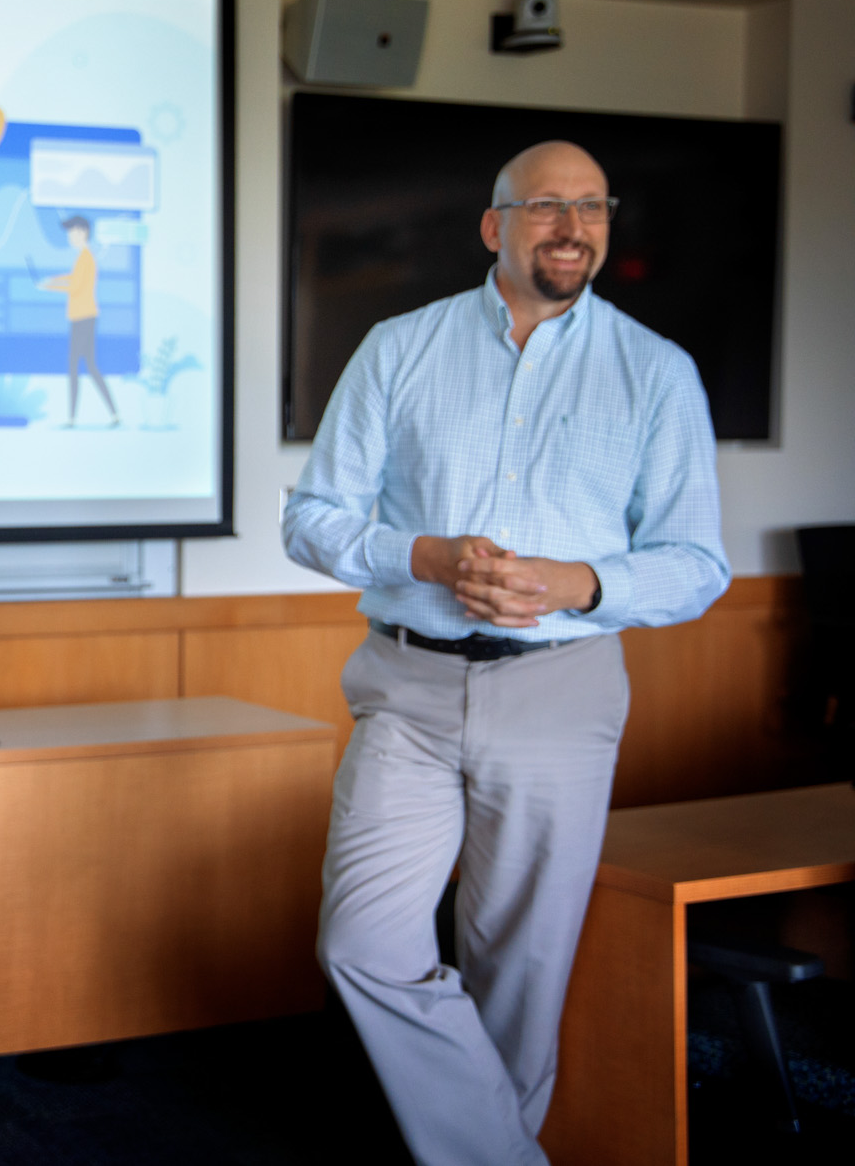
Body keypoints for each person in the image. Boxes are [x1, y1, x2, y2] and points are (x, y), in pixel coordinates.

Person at [281, 142, 728, 1166]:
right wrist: (420, 553)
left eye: (591, 207)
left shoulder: (655, 372)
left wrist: (574, 583)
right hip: (407, 685)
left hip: (559, 690)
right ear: (494, 226)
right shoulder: (399, 347)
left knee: (517, 970)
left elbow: (695, 563)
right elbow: (310, 520)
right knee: (363, 944)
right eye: (544, 206)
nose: (570, 225)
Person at [36, 215, 117, 427]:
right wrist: (53, 279)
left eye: (72, 232)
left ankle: (72, 418)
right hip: (84, 317)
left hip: (83, 318)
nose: (70, 237)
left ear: (83, 232)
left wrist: (49, 286)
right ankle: (114, 415)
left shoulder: (87, 258)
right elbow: (72, 277)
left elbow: (75, 287)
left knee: (75, 366)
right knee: (90, 366)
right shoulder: (83, 258)